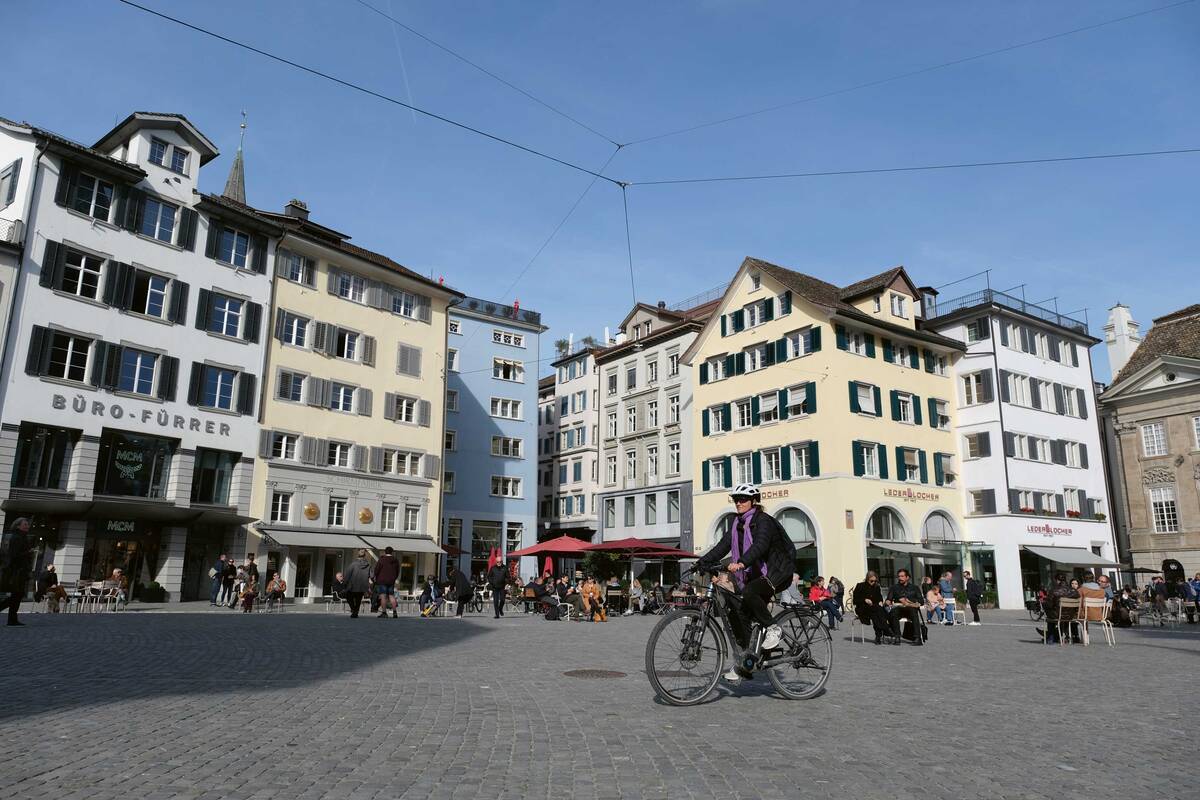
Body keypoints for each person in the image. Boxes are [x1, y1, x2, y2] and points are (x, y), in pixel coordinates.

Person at [695, 483, 797, 681]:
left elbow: (760, 545)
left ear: (753, 501)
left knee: (750, 592)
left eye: (743, 499)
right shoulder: (736, 524)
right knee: (738, 612)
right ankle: (747, 661)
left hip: (778, 570)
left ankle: (774, 628)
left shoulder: (764, 521)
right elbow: (722, 546)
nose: (738, 502)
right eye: (736, 499)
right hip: (758, 575)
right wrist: (701, 562)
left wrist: (741, 562)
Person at [0, 517, 35, 626]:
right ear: (18, 526)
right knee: (17, 594)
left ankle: (12, 619)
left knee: (17, 595)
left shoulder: (22, 537)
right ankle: (12, 619)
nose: (27, 526)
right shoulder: (17, 538)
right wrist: (29, 552)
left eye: (27, 524)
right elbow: (13, 555)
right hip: (17, 571)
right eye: (25, 524)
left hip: (20, 570)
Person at [851, 571, 895, 645]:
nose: (873, 582)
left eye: (875, 581)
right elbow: (855, 600)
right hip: (862, 608)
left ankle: (878, 636)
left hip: (874, 609)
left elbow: (879, 598)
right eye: (871, 581)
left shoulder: (876, 587)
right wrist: (865, 600)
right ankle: (886, 629)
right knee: (879, 610)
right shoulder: (860, 586)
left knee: (875, 614)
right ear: (867, 579)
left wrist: (880, 601)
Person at [887, 569, 926, 644]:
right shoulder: (894, 587)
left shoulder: (915, 588)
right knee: (893, 613)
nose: (900, 578)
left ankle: (917, 638)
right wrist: (887, 602)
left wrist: (908, 601)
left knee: (913, 612)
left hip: (911, 609)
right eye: (899, 576)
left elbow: (921, 601)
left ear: (907, 577)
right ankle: (897, 637)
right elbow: (889, 599)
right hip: (899, 609)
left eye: (902, 576)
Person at [372, 546, 401, 619]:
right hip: (391, 580)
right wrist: (394, 578)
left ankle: (384, 613)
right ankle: (395, 612)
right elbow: (398, 571)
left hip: (382, 580)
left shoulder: (382, 559)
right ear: (392, 552)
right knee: (391, 595)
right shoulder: (395, 560)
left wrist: (375, 577)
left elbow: (376, 570)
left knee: (383, 596)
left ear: (385, 552)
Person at [343, 550, 372, 618]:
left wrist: (344, 583)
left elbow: (347, 575)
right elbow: (372, 575)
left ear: (357, 555)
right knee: (358, 599)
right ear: (364, 556)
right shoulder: (368, 565)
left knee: (349, 597)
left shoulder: (353, 564)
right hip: (362, 586)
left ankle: (353, 610)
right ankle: (355, 612)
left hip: (352, 585)